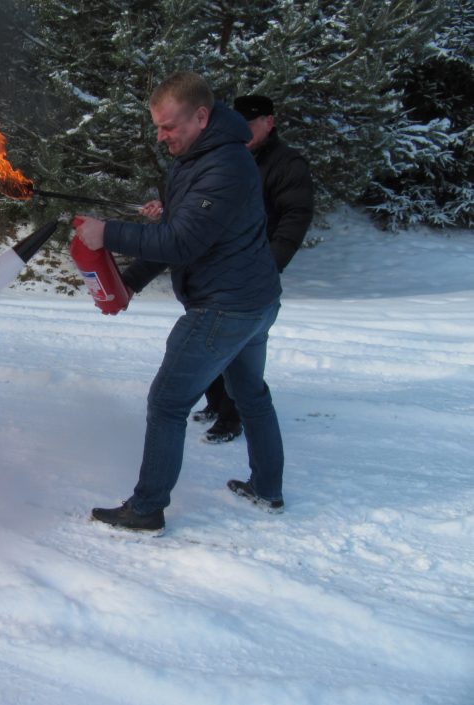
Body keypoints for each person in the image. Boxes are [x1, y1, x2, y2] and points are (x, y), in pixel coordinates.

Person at [73, 71, 285, 532]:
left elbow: (183, 242)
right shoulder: (197, 156)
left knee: (168, 403)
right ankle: (267, 489)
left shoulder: (225, 164)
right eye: (157, 127)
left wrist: (107, 231)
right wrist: (128, 281)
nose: (161, 136)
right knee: (251, 393)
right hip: (254, 300)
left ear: (202, 116)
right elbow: (184, 230)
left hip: (224, 306)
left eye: (169, 127)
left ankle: (147, 508)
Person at [196, 94, 315, 444]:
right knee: (211, 339)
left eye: (251, 124)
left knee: (237, 348)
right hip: (218, 267)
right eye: (239, 123)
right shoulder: (227, 157)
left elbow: (296, 217)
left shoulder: (287, 163)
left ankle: (233, 418)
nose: (244, 131)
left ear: (269, 122)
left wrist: (271, 263)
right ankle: (216, 403)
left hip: (254, 272)